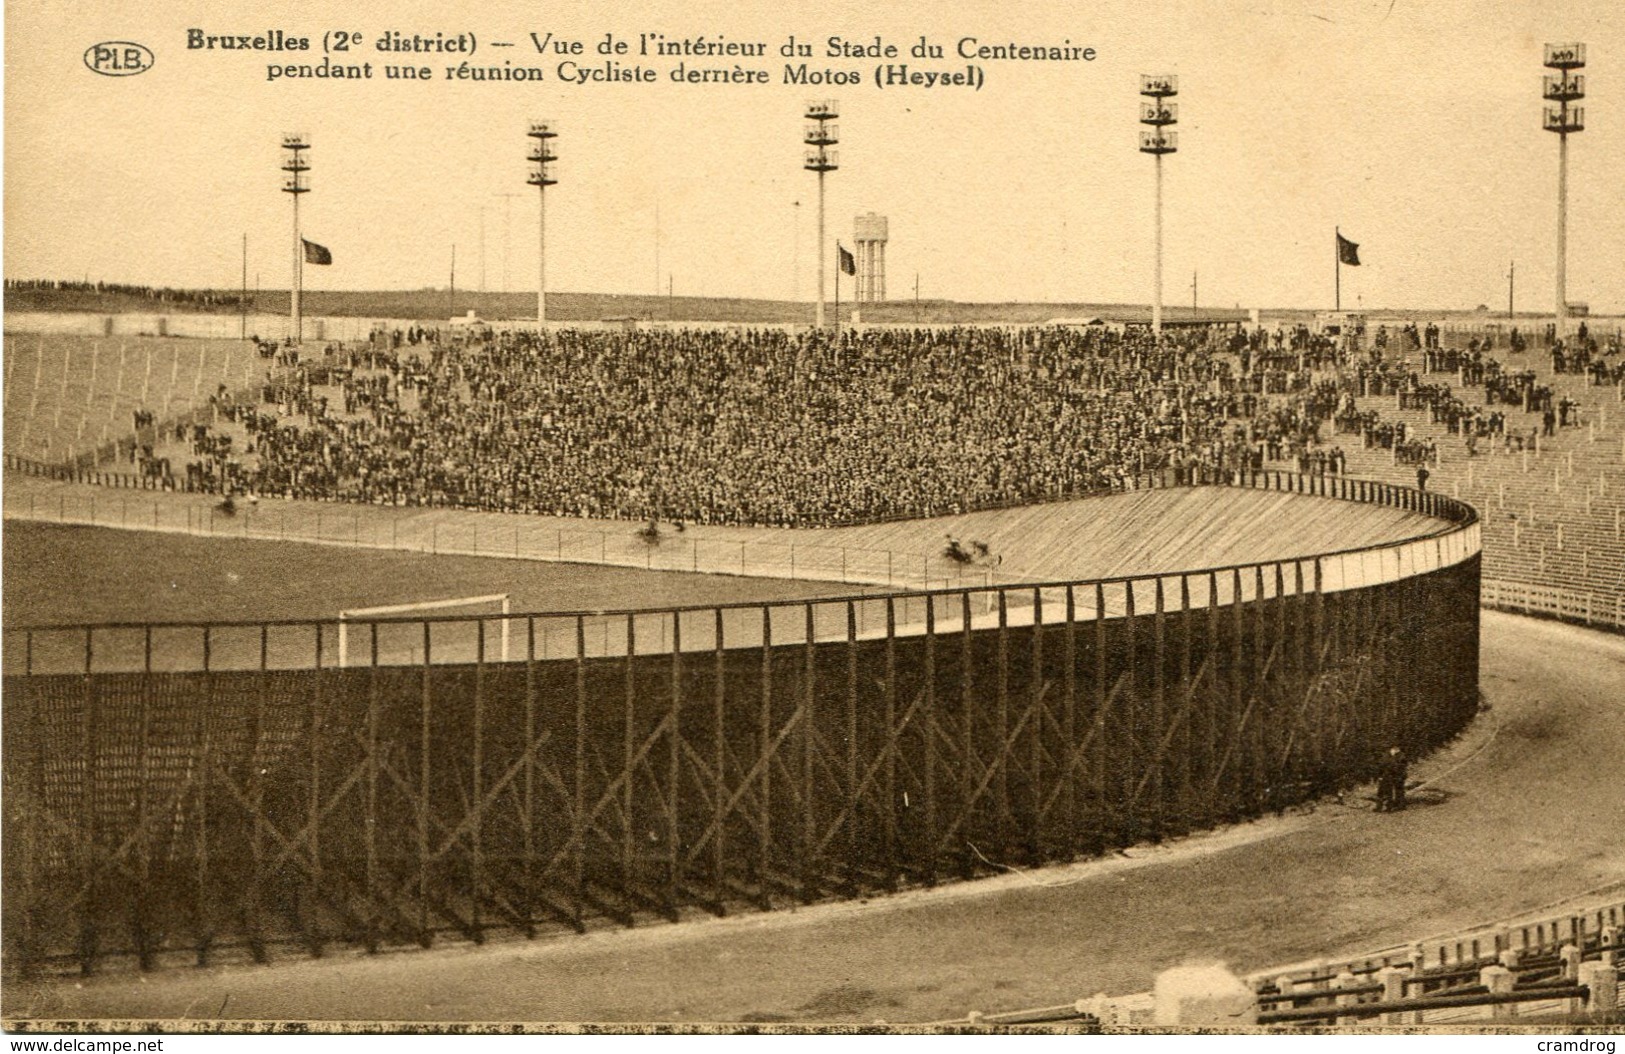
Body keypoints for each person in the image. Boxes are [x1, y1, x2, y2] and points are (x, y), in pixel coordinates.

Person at [1376, 746, 1408, 812]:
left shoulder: (1401, 756)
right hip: (1388, 775)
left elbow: (1400, 766)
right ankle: (1388, 806)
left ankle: (1398, 805)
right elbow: (1382, 765)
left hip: (1397, 775)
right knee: (1387, 791)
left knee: (1398, 790)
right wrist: (1381, 775)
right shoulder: (1387, 755)